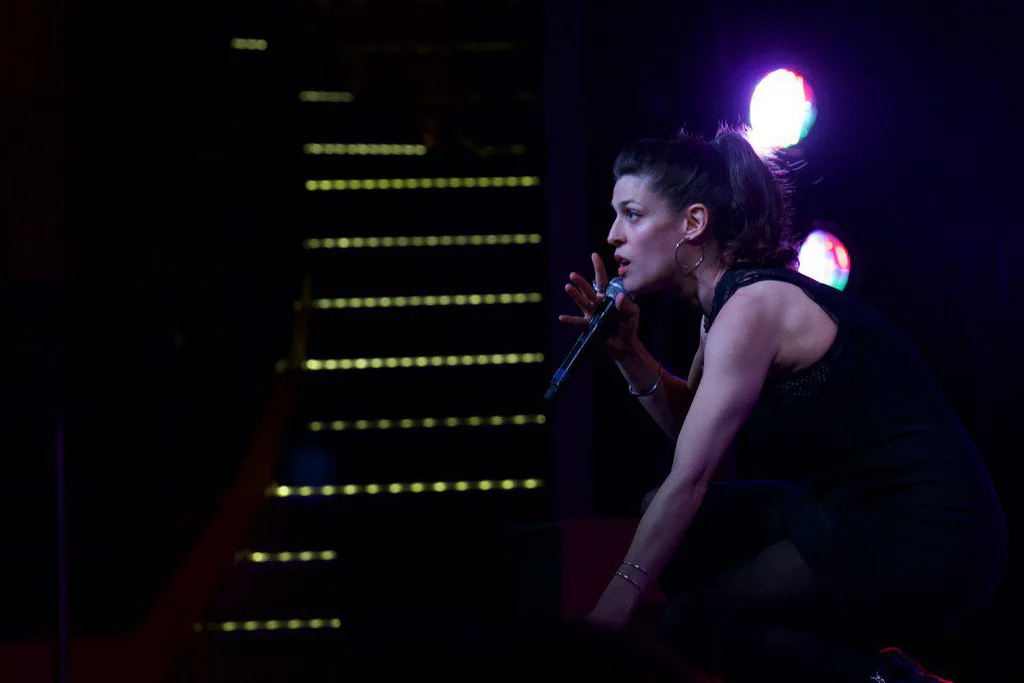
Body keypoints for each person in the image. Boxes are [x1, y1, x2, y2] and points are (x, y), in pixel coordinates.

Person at [557, 125, 1008, 682]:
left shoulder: (753, 307)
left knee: (692, 621)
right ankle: (879, 671)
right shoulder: (721, 313)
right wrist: (628, 354)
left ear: (694, 223)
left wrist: (613, 606)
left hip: (927, 531)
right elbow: (696, 433)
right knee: (684, 550)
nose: (614, 235)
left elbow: (692, 475)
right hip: (846, 515)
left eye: (632, 214)